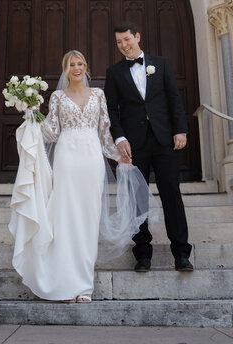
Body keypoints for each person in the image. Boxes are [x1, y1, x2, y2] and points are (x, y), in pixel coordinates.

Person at [9, 50, 155, 303]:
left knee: (87, 220)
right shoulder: (56, 97)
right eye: (71, 65)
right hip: (67, 159)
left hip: (91, 159)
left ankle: (84, 286)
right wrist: (33, 113)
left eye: (80, 64)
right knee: (65, 220)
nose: (76, 68)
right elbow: (52, 132)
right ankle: (63, 282)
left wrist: (117, 154)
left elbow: (104, 130)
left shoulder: (98, 95)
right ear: (65, 70)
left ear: (86, 68)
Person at [104, 22, 193, 272]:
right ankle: (142, 254)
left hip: (165, 140)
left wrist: (180, 129)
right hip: (134, 144)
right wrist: (120, 138)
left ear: (138, 37)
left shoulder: (161, 64)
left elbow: (174, 98)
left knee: (171, 195)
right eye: (119, 42)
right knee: (137, 199)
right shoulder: (114, 72)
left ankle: (182, 254)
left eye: (127, 39)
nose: (123, 45)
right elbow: (111, 109)